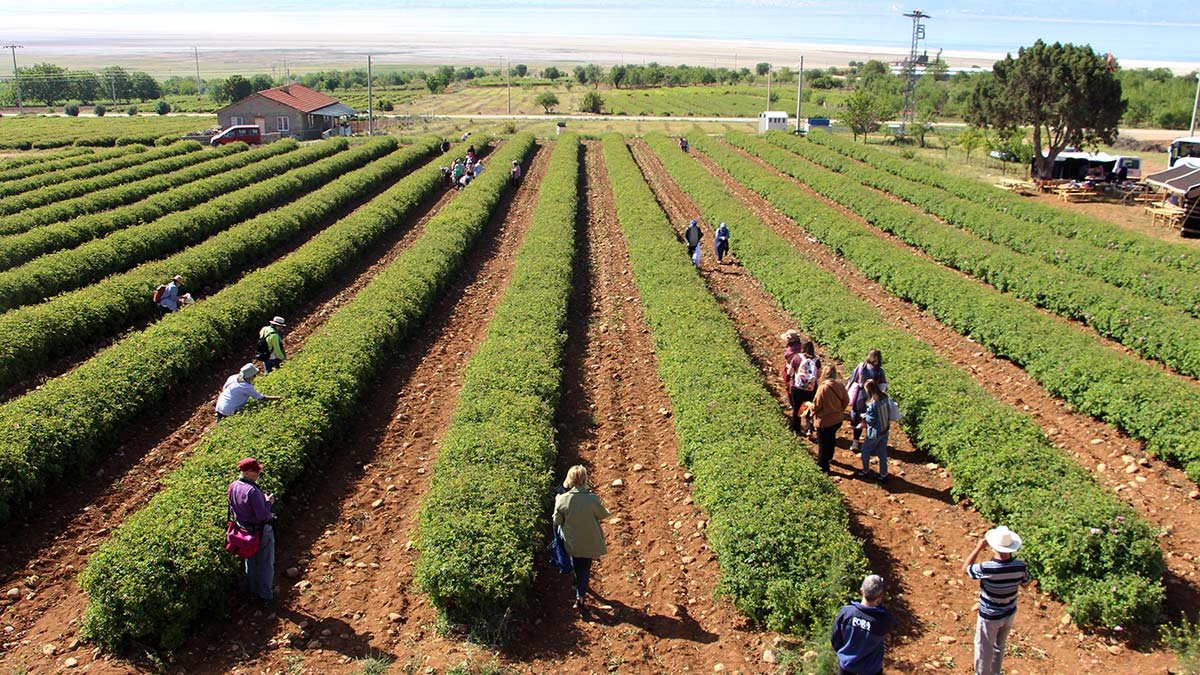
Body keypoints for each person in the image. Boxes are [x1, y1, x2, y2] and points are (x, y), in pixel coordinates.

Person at [963, 526, 1031, 675]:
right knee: (999, 646)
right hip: (1009, 612)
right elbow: (1026, 584)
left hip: (990, 615)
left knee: (983, 648)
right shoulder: (1020, 566)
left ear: (993, 547)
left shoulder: (987, 568)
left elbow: (966, 568)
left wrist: (978, 548)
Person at [553, 465, 611, 612]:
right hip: (589, 542)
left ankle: (575, 580)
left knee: (575, 561)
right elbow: (603, 515)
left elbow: (557, 521)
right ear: (585, 479)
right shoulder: (592, 499)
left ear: (569, 479)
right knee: (584, 568)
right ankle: (580, 598)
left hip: (571, 542)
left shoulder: (563, 499)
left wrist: (556, 503)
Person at [228, 457, 276, 602]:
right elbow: (262, 515)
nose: (258, 474)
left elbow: (232, 508)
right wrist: (268, 502)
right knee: (266, 563)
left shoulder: (233, 486)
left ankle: (253, 593)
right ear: (247, 473)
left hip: (243, 532)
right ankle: (266, 596)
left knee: (250, 561)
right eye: (255, 472)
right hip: (259, 531)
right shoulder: (252, 491)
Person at [831, 574, 893, 675]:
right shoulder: (882, 620)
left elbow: (835, 638)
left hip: (846, 667)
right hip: (871, 670)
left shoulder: (846, 612)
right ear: (880, 596)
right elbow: (889, 626)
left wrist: (844, 655)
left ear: (861, 591)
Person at [847, 349, 887, 452]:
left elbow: (852, 379)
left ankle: (855, 442)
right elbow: (884, 386)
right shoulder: (880, 371)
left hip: (860, 396)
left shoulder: (862, 366)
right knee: (871, 419)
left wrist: (847, 390)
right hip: (874, 397)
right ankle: (870, 443)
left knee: (858, 417)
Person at [812, 364, 849, 473]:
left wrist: (811, 411)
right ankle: (829, 457)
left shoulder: (822, 388)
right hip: (837, 420)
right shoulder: (840, 386)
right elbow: (846, 400)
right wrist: (840, 410)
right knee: (831, 437)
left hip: (824, 421)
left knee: (822, 443)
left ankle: (823, 468)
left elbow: (816, 405)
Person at [859, 380, 895, 483]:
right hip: (885, 429)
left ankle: (865, 471)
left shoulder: (872, 404)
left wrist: (863, 416)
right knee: (882, 452)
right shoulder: (885, 397)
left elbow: (870, 420)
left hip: (875, 432)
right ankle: (884, 474)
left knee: (865, 450)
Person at [215, 363, 282, 420]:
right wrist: (278, 398)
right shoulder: (245, 386)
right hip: (229, 410)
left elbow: (225, 388)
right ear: (250, 376)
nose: (255, 377)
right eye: (254, 376)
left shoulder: (233, 377)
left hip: (219, 406)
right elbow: (261, 398)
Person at [789, 341, 820, 435]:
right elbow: (818, 375)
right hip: (811, 388)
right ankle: (809, 428)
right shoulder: (816, 360)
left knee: (796, 408)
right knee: (808, 408)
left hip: (797, 387)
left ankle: (796, 429)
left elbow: (790, 371)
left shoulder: (797, 357)